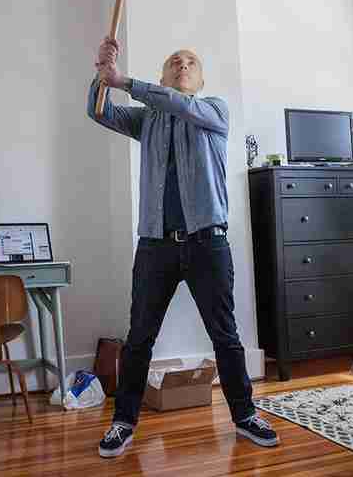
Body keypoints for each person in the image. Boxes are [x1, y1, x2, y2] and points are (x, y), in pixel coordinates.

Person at [87, 38, 279, 458]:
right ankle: (123, 422)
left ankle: (245, 415)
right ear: (163, 77)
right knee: (139, 338)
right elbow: (99, 110)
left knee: (225, 337)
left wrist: (126, 81)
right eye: (174, 61)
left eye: (190, 61)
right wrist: (102, 72)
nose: (182, 63)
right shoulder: (149, 120)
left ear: (200, 78)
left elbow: (181, 106)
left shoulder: (213, 110)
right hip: (155, 246)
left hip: (208, 244)